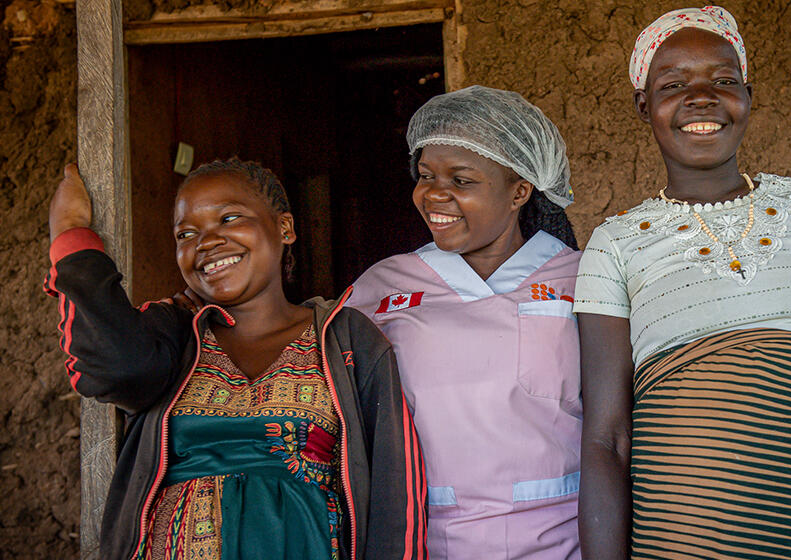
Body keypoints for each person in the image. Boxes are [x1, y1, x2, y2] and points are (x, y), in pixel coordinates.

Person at [573, 7, 791, 559]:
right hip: (684, 533)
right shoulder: (615, 243)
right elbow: (607, 439)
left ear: (748, 95)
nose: (701, 96)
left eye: (723, 80)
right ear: (643, 106)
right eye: (673, 84)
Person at [45, 159, 426, 560]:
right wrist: (72, 237)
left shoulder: (345, 338)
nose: (206, 242)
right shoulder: (175, 334)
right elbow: (114, 367)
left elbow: (394, 489)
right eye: (186, 234)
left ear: (285, 228)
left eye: (229, 218)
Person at [348, 85, 583, 559]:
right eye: (426, 175)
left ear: (520, 190)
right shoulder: (381, 288)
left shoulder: (582, 276)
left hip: (564, 538)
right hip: (426, 540)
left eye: (461, 180)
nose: (435, 194)